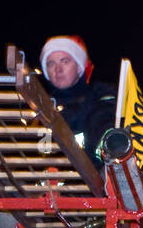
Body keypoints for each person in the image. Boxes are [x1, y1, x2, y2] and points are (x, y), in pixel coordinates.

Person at [39, 35, 118, 167]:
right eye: (51, 64)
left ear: (80, 66)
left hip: (93, 181)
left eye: (65, 61)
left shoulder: (99, 95)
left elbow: (103, 123)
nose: (58, 69)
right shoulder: (39, 107)